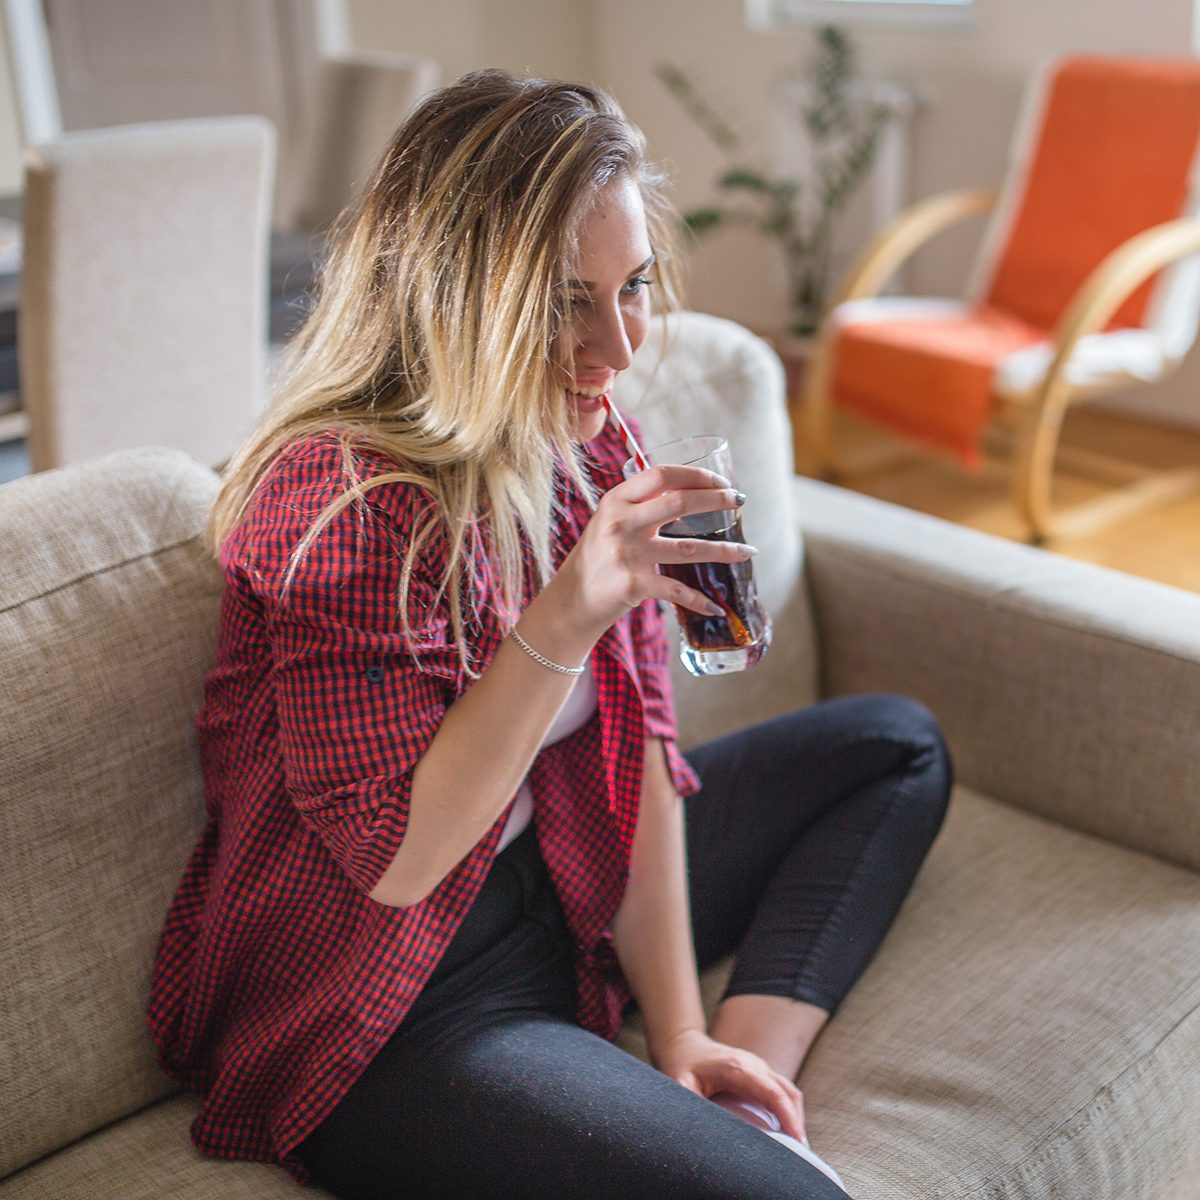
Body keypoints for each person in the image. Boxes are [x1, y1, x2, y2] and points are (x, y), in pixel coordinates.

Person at [147, 69, 952, 1200]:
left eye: (633, 288)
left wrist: (682, 1035)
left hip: (559, 883)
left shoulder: (588, 441)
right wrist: (569, 610)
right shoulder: (334, 504)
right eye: (566, 302)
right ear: (450, 297)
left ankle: (743, 1082)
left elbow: (640, 758)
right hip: (400, 996)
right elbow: (399, 859)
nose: (617, 346)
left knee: (896, 746)